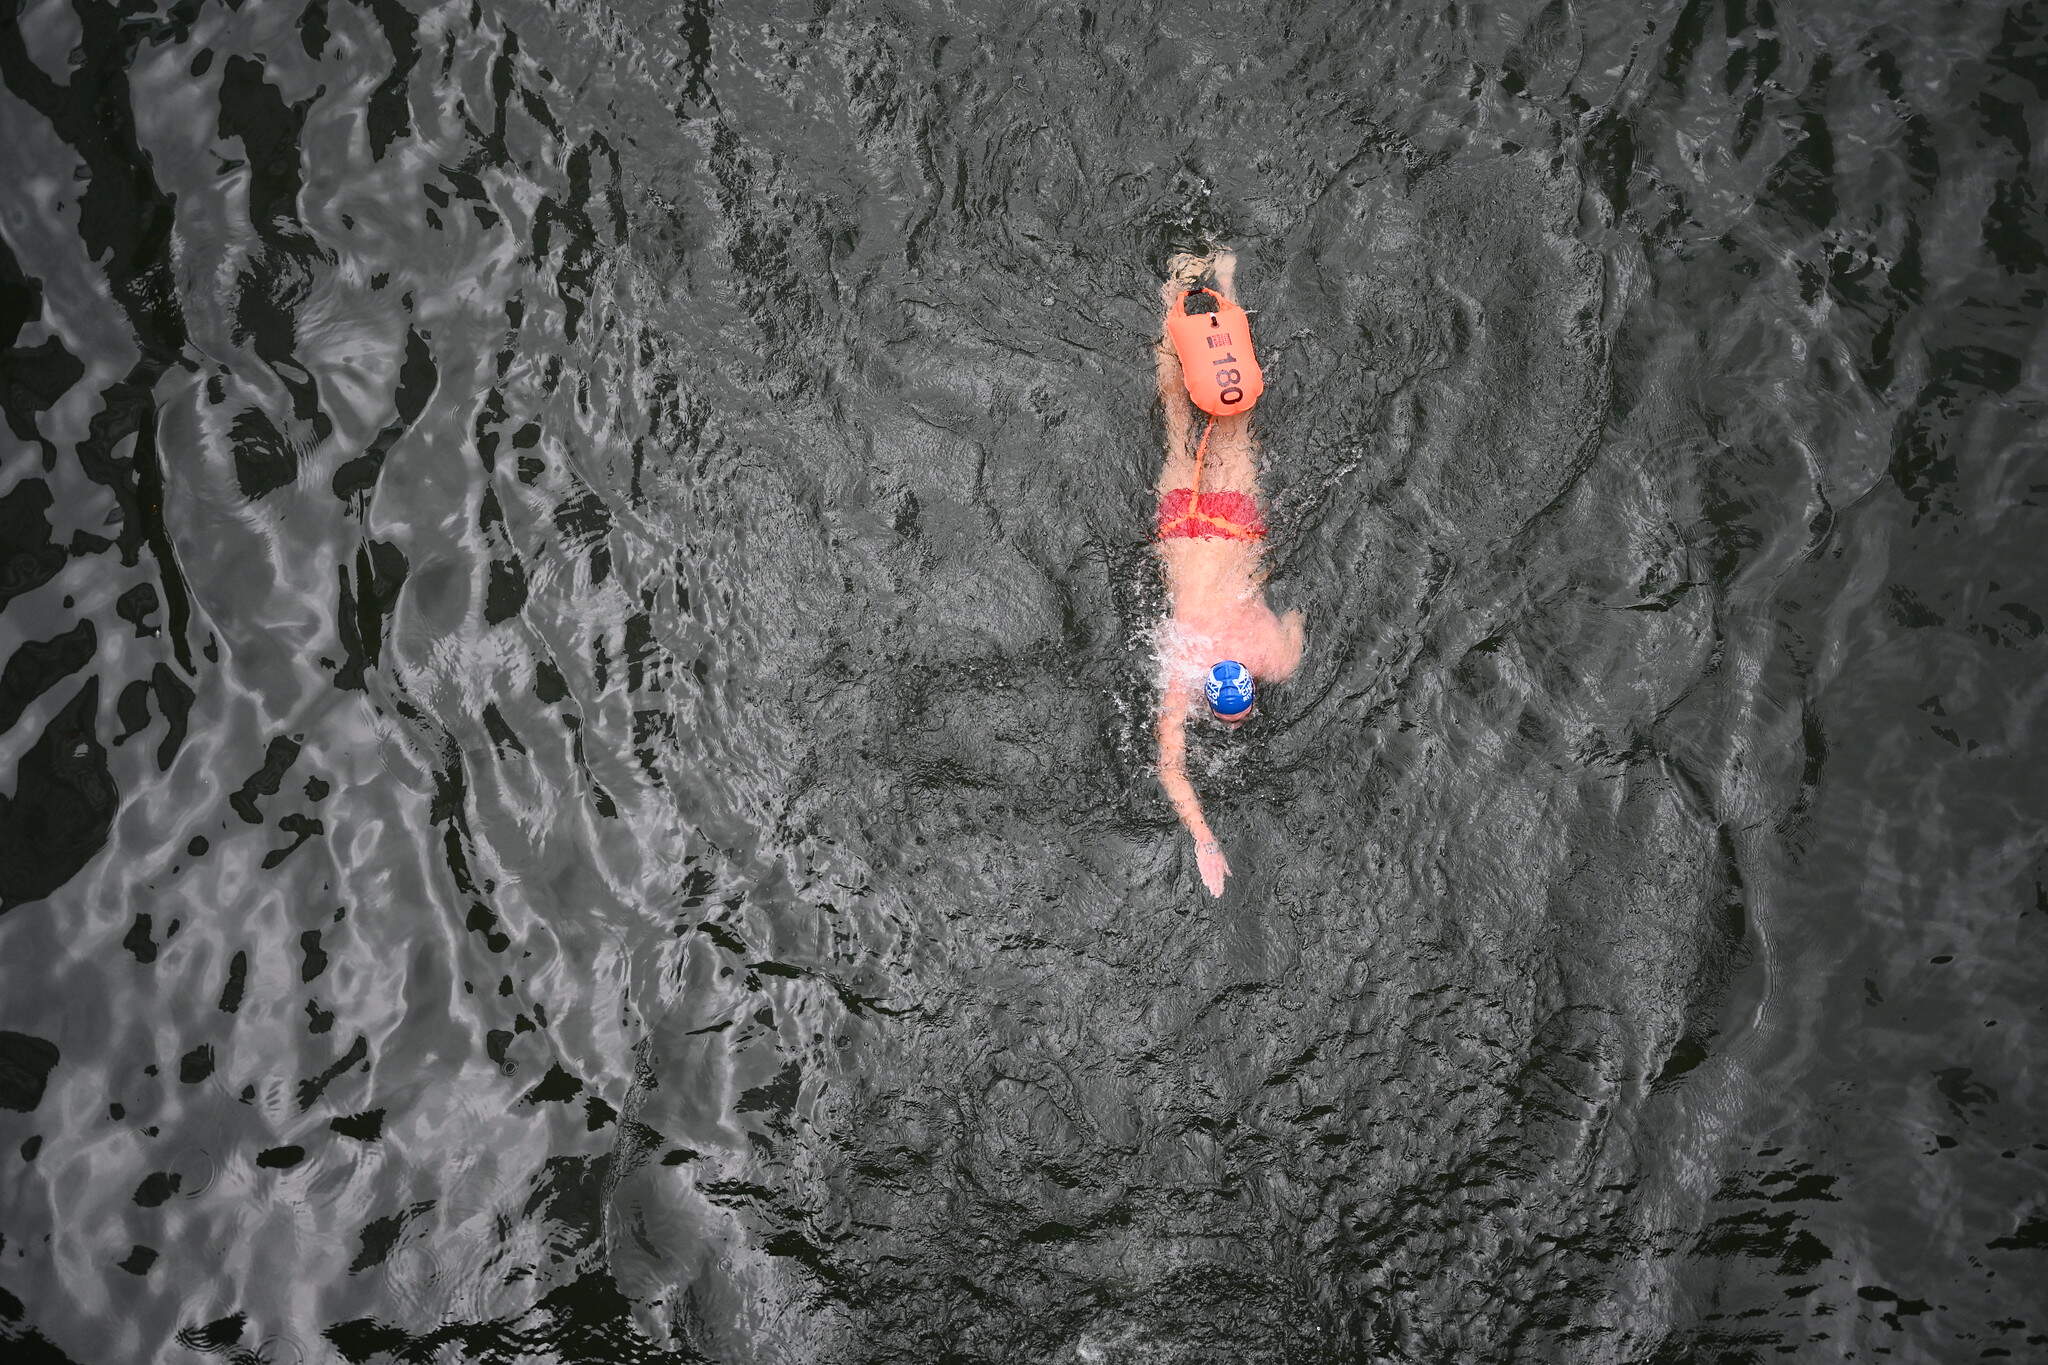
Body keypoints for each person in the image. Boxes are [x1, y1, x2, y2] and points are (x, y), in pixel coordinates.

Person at [1152, 249, 1304, 897]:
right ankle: (1182, 293)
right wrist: (1205, 836)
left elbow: (1295, 620)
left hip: (1235, 523)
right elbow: (1170, 766)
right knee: (1177, 422)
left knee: (1231, 416)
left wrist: (1202, 836)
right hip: (1181, 524)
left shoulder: (1267, 653)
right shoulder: (1186, 666)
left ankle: (1216, 280)